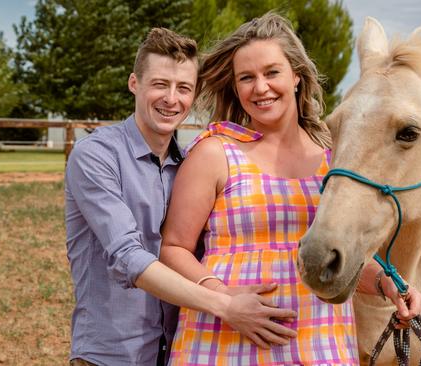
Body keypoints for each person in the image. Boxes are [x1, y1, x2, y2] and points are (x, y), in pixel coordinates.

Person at [160, 13, 421, 365]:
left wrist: (387, 285)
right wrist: (224, 299)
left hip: (319, 342)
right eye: (246, 78)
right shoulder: (215, 152)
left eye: (272, 72)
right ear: (236, 87)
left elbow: (339, 255)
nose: (260, 87)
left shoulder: (333, 159)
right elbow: (173, 249)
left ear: (296, 77)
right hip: (222, 339)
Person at [64, 27, 297, 366]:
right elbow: (128, 256)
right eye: (160, 84)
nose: (171, 99)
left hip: (176, 350)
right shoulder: (95, 156)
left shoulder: (190, 164)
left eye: (183, 88)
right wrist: (225, 305)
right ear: (134, 83)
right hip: (110, 355)